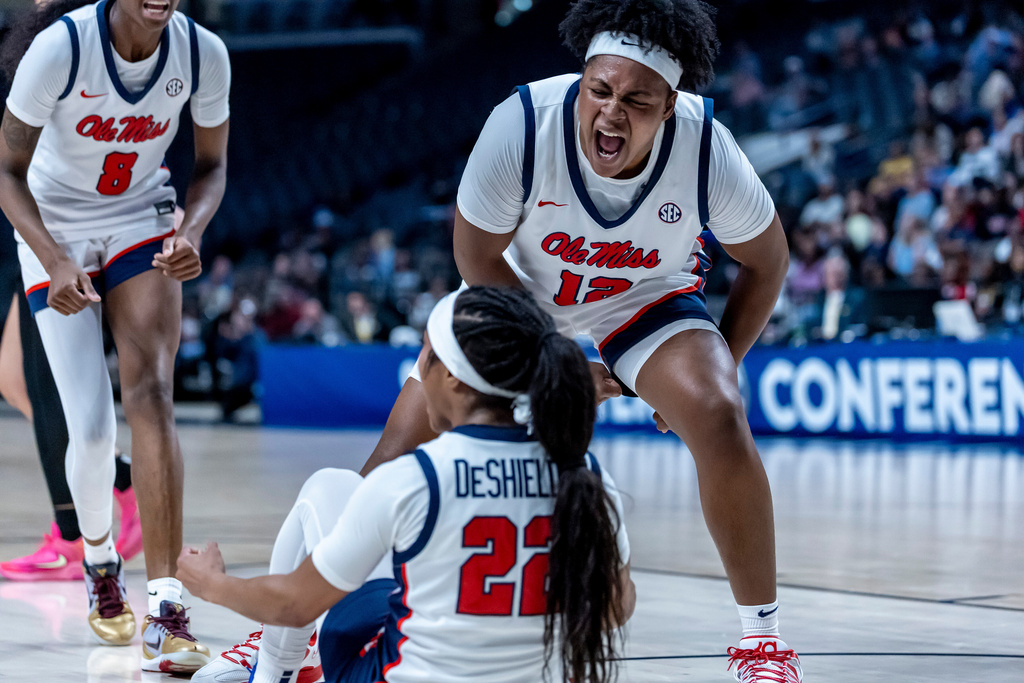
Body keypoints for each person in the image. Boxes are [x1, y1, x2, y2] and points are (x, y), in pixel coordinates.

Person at [356, 1, 802, 680]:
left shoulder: (707, 148)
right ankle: (299, 623)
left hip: (645, 297)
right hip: (521, 293)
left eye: (636, 100)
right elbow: (474, 253)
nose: (612, 113)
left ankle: (762, 641)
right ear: (582, 79)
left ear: (671, 105)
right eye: (599, 90)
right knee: (401, 441)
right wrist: (554, 358)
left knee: (717, 412)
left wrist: (727, 361)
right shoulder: (523, 126)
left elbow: (767, 261)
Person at [180, 287, 634, 683]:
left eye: (424, 355)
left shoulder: (416, 477)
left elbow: (295, 604)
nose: (417, 372)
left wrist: (212, 584)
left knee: (328, 486)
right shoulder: (587, 473)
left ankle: (274, 672)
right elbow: (617, 606)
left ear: (452, 377)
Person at [0, 0, 229, 673]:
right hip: (53, 224)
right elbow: (6, 173)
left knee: (154, 395)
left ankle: (165, 609)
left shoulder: (201, 54)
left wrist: (190, 232)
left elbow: (211, 166)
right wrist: (53, 256)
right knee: (92, 431)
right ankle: (99, 558)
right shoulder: (60, 49)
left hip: (140, 216)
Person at [0, 285, 141, 582]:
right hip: (16, 254)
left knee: (46, 388)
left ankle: (72, 536)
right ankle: (125, 477)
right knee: (12, 382)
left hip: (42, 250)